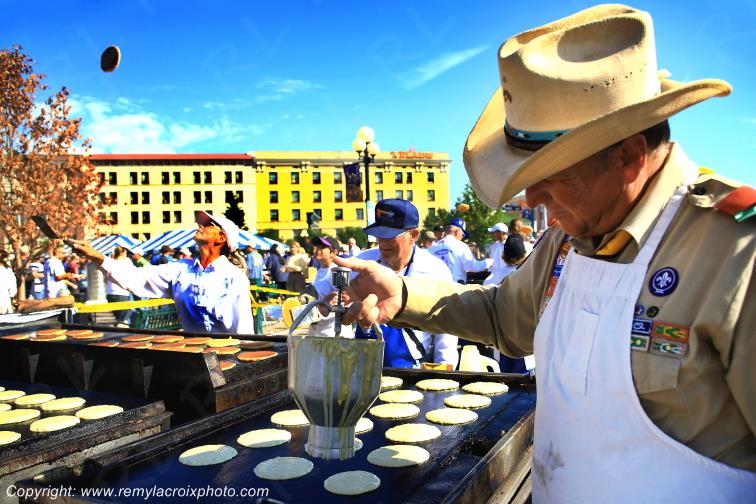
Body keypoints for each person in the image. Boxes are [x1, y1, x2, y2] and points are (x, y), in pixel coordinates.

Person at [333, 5, 755, 501]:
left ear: (630, 157)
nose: (530, 200)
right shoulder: (568, 239)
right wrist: (402, 295)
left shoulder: (736, 252)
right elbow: (503, 318)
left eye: (550, 175)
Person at [312, 199, 459, 368]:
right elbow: (326, 285)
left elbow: (446, 329)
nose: (382, 242)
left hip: (410, 365)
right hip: (361, 363)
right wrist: (307, 297)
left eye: (390, 235)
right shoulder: (365, 259)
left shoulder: (435, 270)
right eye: (379, 234)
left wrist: (444, 369)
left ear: (414, 235)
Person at [70, 211, 254, 334]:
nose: (200, 225)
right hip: (194, 355)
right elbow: (134, 278)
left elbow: (244, 329)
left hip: (226, 357)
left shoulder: (234, 277)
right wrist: (95, 255)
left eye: (209, 224)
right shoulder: (180, 269)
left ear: (222, 238)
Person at [303, 235, 353, 337]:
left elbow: (341, 301)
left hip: (334, 331)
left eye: (322, 247)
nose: (317, 249)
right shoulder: (320, 270)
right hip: (319, 329)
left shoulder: (337, 272)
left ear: (334, 252)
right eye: (316, 246)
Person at [429, 217, 491, 283]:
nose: (462, 237)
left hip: (436, 288)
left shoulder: (432, 248)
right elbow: (473, 266)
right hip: (455, 288)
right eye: (463, 235)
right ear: (457, 232)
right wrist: (490, 261)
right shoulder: (461, 246)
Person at [105, 246, 133, 327]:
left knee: (118, 319)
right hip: (122, 293)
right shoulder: (127, 262)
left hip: (110, 293)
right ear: (123, 253)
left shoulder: (109, 262)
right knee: (123, 321)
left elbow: (105, 278)